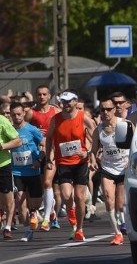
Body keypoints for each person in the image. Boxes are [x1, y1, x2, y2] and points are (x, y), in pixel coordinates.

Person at [45, 91, 96, 241]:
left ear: (75, 101)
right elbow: (48, 139)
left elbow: (95, 138)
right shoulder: (56, 119)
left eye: (69, 101)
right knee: (67, 196)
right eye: (63, 101)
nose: (66, 104)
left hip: (80, 163)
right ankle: (72, 217)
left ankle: (79, 229)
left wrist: (87, 152)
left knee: (79, 197)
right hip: (63, 162)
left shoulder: (83, 117)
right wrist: (49, 158)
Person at [89, 97, 131, 245]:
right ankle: (117, 233)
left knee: (120, 204)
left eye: (108, 109)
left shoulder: (126, 125)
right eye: (103, 110)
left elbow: (136, 145)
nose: (105, 112)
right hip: (107, 168)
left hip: (124, 167)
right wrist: (93, 160)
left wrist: (131, 161)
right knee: (108, 197)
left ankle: (123, 221)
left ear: (114, 110)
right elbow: (93, 151)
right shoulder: (98, 130)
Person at [9, 102, 44, 241]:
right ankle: (28, 231)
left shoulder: (32, 129)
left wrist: (39, 160)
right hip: (17, 172)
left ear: (24, 113)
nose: (16, 117)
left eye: (19, 114)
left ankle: (35, 212)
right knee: (20, 203)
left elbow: (45, 144)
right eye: (13, 115)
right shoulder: (10, 131)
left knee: (34, 203)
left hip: (33, 171)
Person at [29, 85, 60, 231]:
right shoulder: (31, 113)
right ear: (36, 96)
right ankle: (52, 211)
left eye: (44, 94)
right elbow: (24, 129)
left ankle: (46, 219)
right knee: (43, 186)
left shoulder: (56, 112)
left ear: (49, 96)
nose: (41, 97)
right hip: (36, 152)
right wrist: (35, 132)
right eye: (39, 94)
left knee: (48, 182)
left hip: (52, 151)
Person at [0, 106, 23, 239]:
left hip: (3, 165)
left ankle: (8, 226)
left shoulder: (2, 120)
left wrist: (2, 146)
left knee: (8, 199)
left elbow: (17, 140)